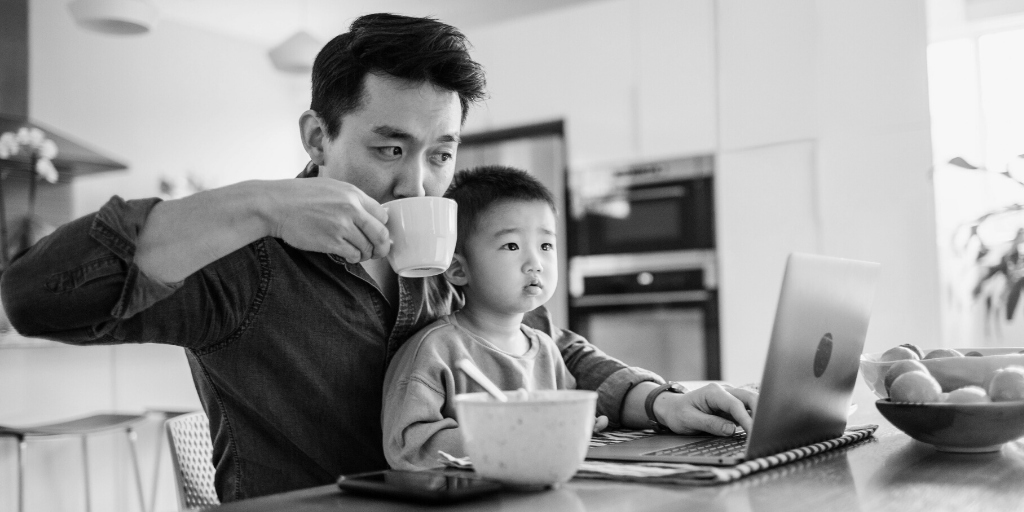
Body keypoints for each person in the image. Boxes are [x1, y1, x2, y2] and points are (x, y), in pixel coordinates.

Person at [0, 13, 756, 502]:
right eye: (389, 147)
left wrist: (661, 400)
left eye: (441, 153)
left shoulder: (447, 248)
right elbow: (33, 297)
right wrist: (261, 203)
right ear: (317, 137)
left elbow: (544, 341)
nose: (415, 182)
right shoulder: (245, 260)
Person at [382, 166, 587, 470]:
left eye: (546, 246)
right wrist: (509, 436)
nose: (536, 263)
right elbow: (409, 448)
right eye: (512, 246)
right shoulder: (435, 351)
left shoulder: (546, 349)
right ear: (458, 270)